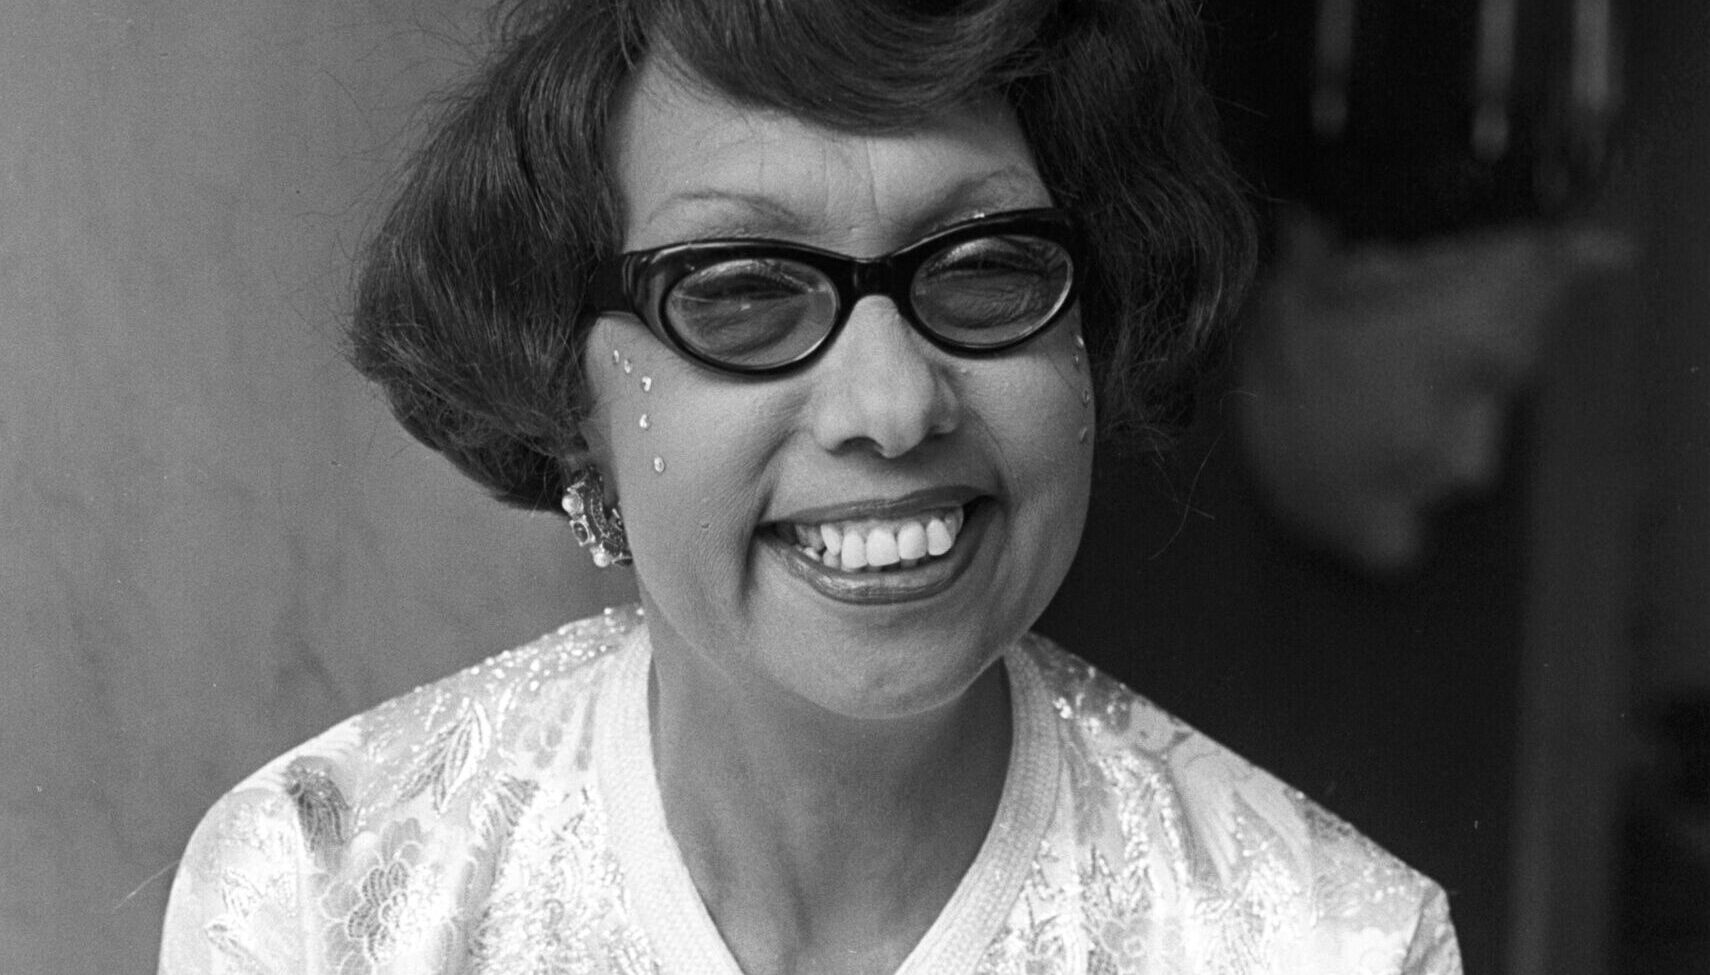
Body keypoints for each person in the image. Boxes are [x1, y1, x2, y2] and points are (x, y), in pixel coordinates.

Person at [159, 0, 1461, 971]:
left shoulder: (1324, 942)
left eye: (985, 269)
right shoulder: (328, 890)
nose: (892, 406)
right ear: (569, 403)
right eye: (739, 293)